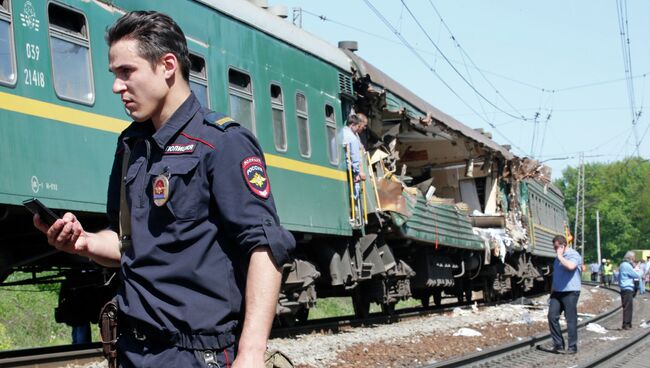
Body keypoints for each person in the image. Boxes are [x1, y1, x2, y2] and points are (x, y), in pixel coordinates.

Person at [33, 11, 295, 367]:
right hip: (132, 351)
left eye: (127, 72)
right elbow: (128, 243)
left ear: (167, 65)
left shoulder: (222, 143)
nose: (116, 86)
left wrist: (251, 353)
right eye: (114, 74)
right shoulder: (130, 146)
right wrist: (84, 242)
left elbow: (265, 247)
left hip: (197, 355)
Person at [542, 235, 582, 355]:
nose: (555, 250)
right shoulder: (557, 259)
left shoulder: (573, 255)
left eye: (556, 247)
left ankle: (572, 346)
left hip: (570, 292)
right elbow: (556, 277)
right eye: (554, 248)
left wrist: (560, 256)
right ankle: (558, 344)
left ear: (563, 245)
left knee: (570, 319)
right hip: (557, 292)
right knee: (552, 316)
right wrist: (551, 292)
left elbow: (571, 266)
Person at [619, 251, 637, 330]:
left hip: (625, 288)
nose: (634, 259)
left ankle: (628, 323)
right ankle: (626, 324)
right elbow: (635, 275)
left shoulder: (623, 264)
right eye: (633, 258)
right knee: (628, 307)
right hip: (627, 288)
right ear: (630, 258)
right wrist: (637, 269)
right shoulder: (626, 265)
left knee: (628, 307)